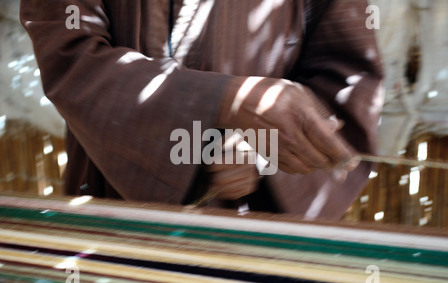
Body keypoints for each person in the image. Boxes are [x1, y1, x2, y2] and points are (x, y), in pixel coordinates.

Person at [20, 0, 384, 221]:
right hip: (115, 219)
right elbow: (70, 56)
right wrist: (229, 102)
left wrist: (267, 152)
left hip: (256, 233)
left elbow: (348, 79)